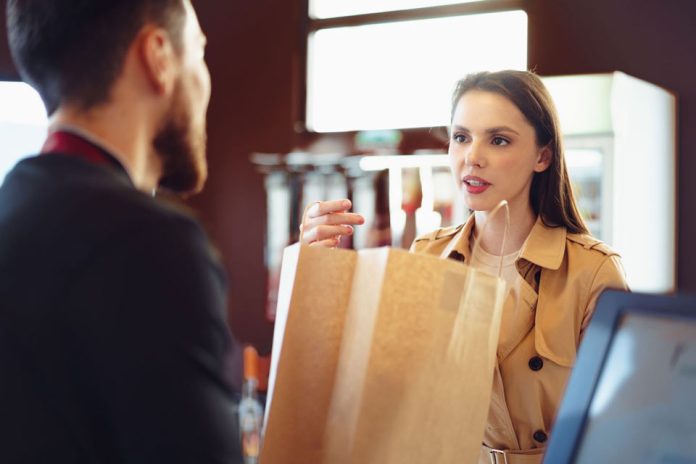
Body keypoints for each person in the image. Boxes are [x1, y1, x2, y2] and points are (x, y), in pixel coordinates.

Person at [300, 70, 628, 464]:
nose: (472, 157)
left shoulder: (593, 272)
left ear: (543, 156)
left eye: (499, 139)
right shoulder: (427, 256)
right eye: (461, 137)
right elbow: (375, 390)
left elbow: (620, 431)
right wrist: (317, 269)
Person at [0, 1, 242, 462]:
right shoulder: (150, 244)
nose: (205, 81)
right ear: (159, 57)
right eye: (199, 52)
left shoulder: (12, 204)